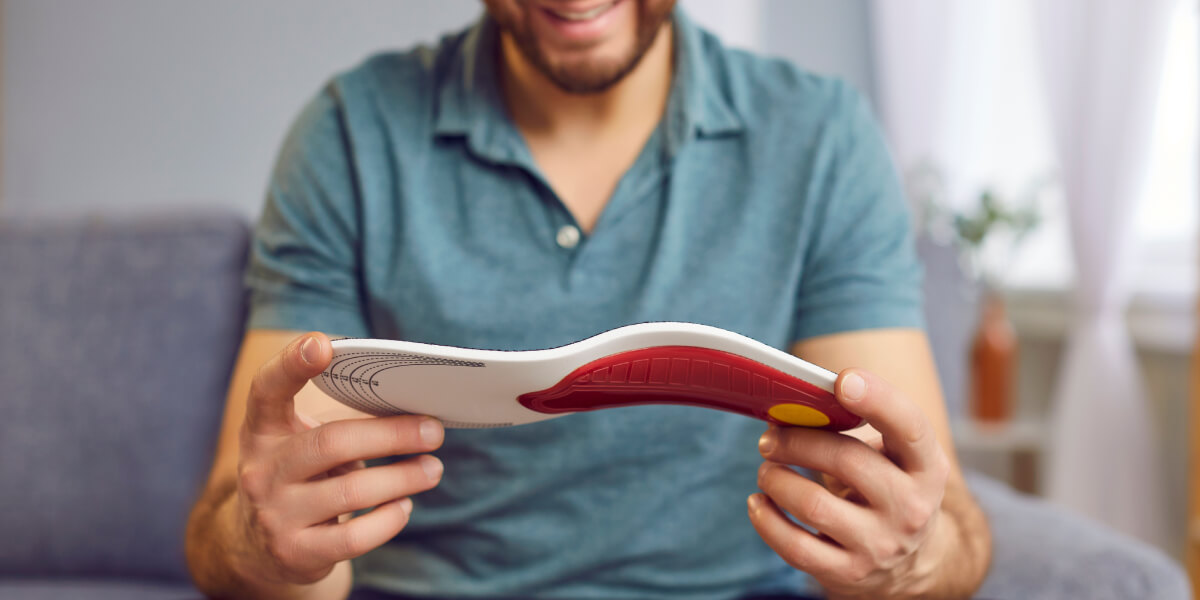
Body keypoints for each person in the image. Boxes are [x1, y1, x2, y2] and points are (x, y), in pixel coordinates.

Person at [185, 1, 992, 598]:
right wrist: (268, 548)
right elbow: (235, 522)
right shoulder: (350, 134)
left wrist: (909, 558)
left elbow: (948, 529)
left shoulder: (821, 138)